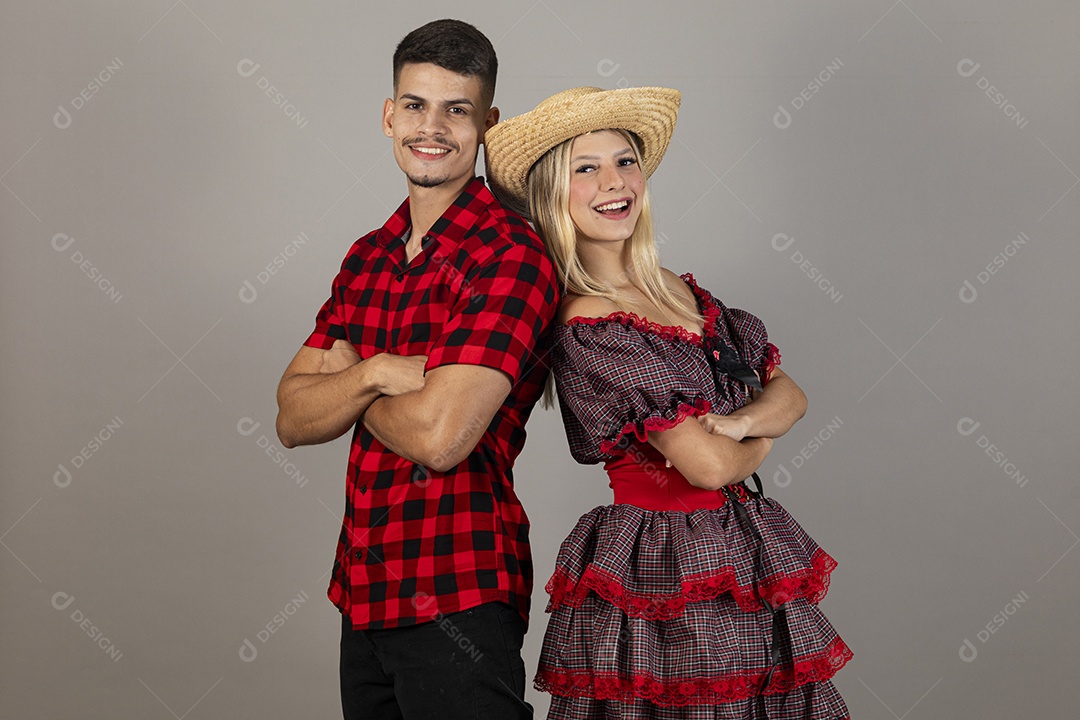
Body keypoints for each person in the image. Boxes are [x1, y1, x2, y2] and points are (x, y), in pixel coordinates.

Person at [484, 86, 851, 718]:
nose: (613, 181)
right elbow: (707, 468)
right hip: (664, 558)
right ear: (553, 194)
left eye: (625, 160)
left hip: (742, 550)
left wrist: (734, 425)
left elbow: (792, 394)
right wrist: (756, 438)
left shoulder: (687, 297)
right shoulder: (592, 323)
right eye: (586, 168)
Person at [275, 19, 558, 720]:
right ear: (388, 114)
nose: (432, 127)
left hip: (459, 593)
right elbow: (289, 418)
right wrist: (374, 371)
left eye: (457, 110)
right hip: (363, 594)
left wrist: (343, 384)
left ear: (487, 122)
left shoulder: (511, 255)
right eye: (415, 105)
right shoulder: (367, 256)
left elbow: (441, 438)